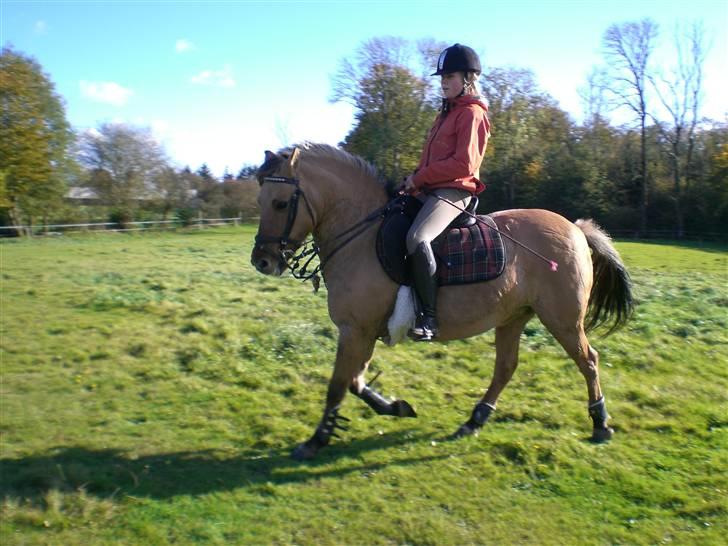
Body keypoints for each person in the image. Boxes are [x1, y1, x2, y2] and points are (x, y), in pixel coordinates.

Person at [400, 43, 491, 341]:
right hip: (431, 189)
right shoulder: (445, 114)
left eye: (449, 76)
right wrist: (413, 179)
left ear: (468, 78)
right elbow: (431, 160)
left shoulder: (472, 114)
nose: (443, 81)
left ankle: (428, 319)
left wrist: (421, 176)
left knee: (417, 237)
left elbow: (464, 163)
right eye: (441, 77)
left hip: (456, 192)